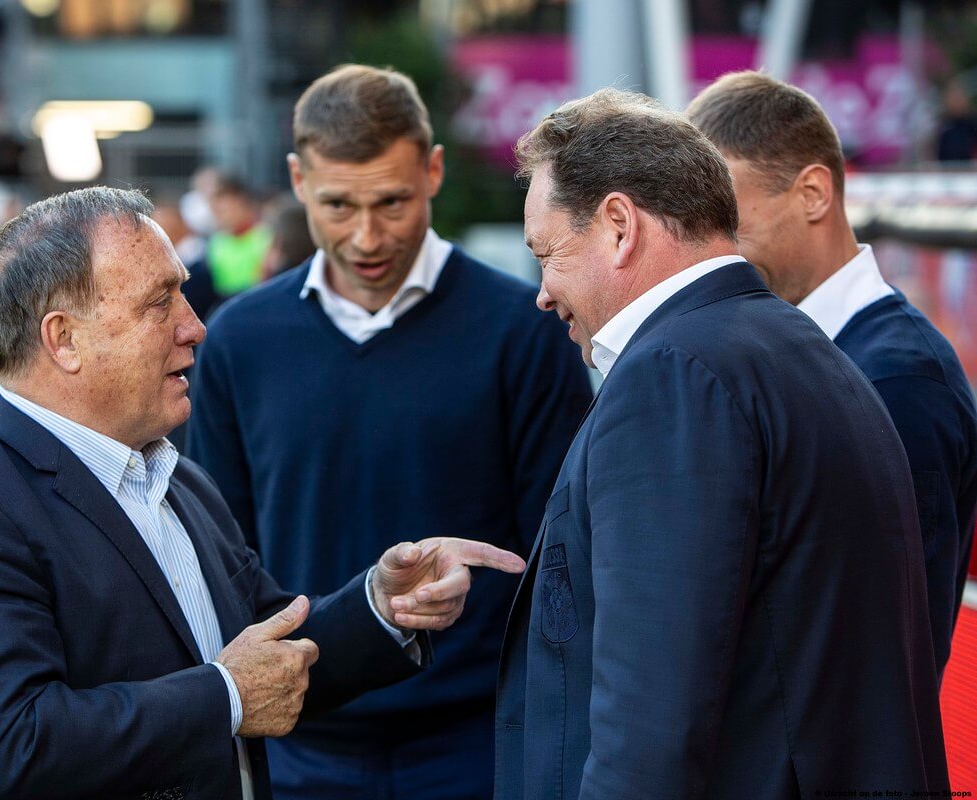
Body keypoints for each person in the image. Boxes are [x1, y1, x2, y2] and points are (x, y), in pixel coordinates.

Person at [0, 187, 526, 800]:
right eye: (161, 302)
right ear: (64, 339)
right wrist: (225, 697)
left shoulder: (176, 477)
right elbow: (4, 749)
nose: (195, 326)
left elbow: (269, 651)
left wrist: (382, 604)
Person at [497, 88, 948, 799]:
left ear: (619, 225)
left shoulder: (672, 378)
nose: (543, 293)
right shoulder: (795, 345)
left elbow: (650, 723)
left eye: (546, 253)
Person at [186, 64, 591, 800]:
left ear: (433, 171)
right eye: (339, 204)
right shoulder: (237, 342)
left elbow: (560, 555)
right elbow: (219, 556)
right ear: (298, 181)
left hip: (478, 741)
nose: (367, 235)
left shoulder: (522, 331)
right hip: (296, 742)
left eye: (393, 202)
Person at [687, 71, 977, 683]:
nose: (710, 251)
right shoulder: (799, 354)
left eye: (727, 220)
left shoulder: (902, 381)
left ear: (814, 193)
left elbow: (893, 650)